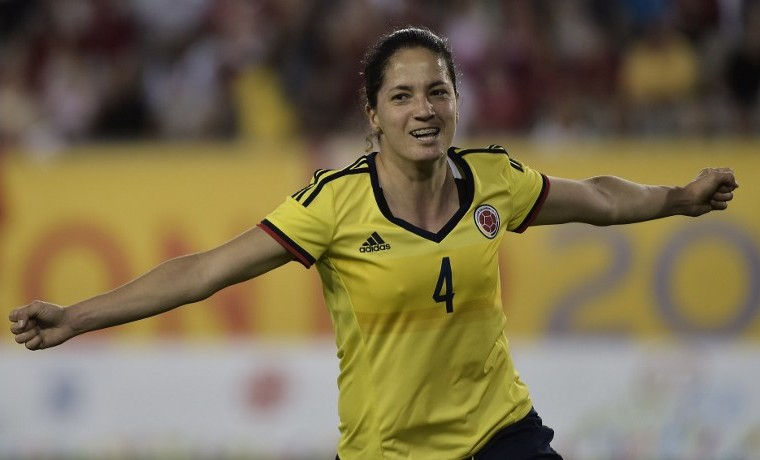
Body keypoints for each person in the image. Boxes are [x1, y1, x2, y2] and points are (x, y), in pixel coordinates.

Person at [8, 27, 738, 460]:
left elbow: (600, 198)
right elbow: (204, 271)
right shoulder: (335, 204)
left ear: (456, 98)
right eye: (403, 96)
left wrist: (676, 200)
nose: (424, 110)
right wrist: (77, 317)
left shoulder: (495, 180)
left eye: (438, 92)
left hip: (502, 435)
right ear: (374, 114)